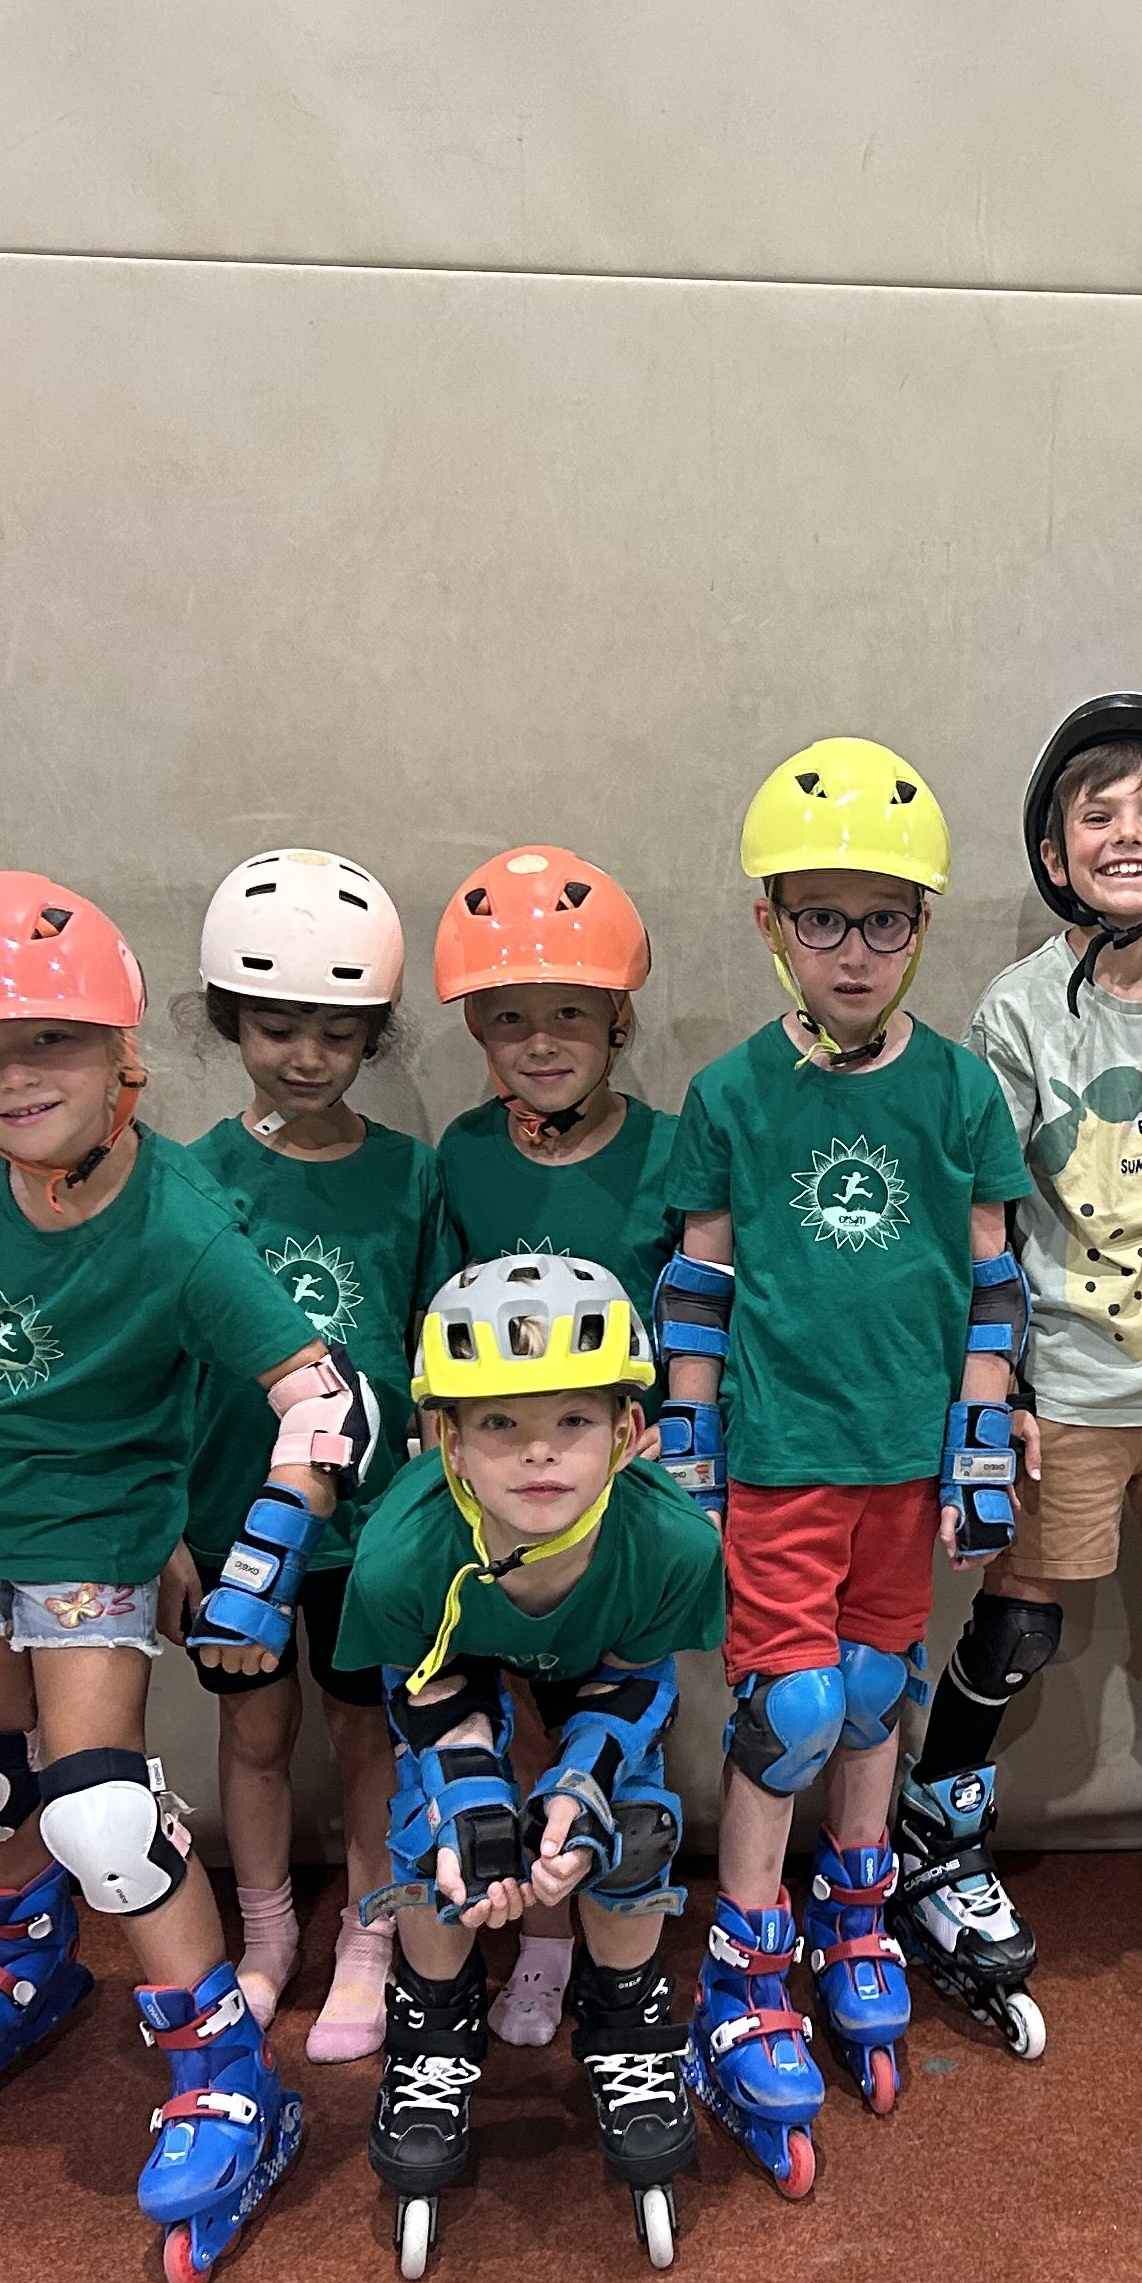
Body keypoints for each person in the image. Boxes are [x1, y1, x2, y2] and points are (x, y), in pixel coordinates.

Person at [0, 872, 379, 2283]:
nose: (18, 1078)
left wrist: (260, 1563)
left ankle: (223, 2066)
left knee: (101, 1814)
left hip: (94, 1539)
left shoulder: (181, 1225)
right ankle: (23, 1956)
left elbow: (323, 1399)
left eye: (54, 1043)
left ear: (121, 1052)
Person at [654, 738, 1033, 2189]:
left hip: (904, 1462)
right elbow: (700, 1283)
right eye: (823, 919)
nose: (856, 951)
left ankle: (856, 1910)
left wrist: (981, 1434)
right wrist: (689, 1442)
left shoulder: (961, 1092)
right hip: (781, 1460)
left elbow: (991, 1281)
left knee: (877, 1691)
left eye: (885, 921)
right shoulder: (731, 1094)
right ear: (772, 923)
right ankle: (747, 1959)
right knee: (790, 1708)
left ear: (921, 927)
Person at [920, 694, 1142, 2045]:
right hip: (1065, 1382)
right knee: (1019, 1621)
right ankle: (935, 1830)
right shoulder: (1017, 1013)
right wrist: (998, 1386)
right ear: (1053, 851)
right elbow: (982, 1214)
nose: (1129, 833)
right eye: (1099, 813)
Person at [339, 1258, 726, 2279]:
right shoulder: (400, 1551)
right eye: (501, 1424)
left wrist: (582, 1781)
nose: (540, 1451)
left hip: (602, 1658)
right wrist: (472, 1796)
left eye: (574, 1420)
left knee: (632, 1827)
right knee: (439, 1835)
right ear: (448, 1442)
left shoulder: (674, 1542)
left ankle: (628, 2021)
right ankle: (429, 2035)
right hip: (459, 1654)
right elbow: (426, 1690)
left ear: (630, 1434)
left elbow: (637, 1681)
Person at [168, 848, 445, 2061]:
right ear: (230, 1020)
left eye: (338, 1034)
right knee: (252, 1736)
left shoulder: (409, 1174)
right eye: (277, 1028)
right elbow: (166, 1364)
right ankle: (269, 1933)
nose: (306, 1057)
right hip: (232, 1517)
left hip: (367, 1525)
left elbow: (431, 1354)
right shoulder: (191, 1177)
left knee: (365, 1734)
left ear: (373, 1037)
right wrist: (171, 1532)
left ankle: (371, 1939)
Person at [423, 845, 685, 2050]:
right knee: (519, 1707)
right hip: (504, 1494)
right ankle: (539, 1935)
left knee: (625, 1715)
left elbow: (703, 1312)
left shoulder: (670, 1149)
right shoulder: (463, 1155)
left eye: (570, 1014)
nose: (540, 1042)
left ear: (617, 1020)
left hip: (625, 1484)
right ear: (477, 1028)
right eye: (511, 1018)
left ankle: (620, 1950)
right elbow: (435, 1333)